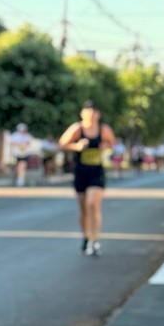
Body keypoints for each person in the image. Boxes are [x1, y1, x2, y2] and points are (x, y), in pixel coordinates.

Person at [59, 101, 115, 256]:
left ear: (98, 115)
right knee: (83, 208)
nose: (91, 115)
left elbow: (112, 144)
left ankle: (95, 240)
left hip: (96, 172)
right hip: (81, 172)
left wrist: (106, 146)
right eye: (88, 111)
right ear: (82, 114)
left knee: (93, 204)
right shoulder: (77, 129)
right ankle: (85, 237)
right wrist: (76, 147)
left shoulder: (104, 130)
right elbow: (62, 144)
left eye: (94, 112)